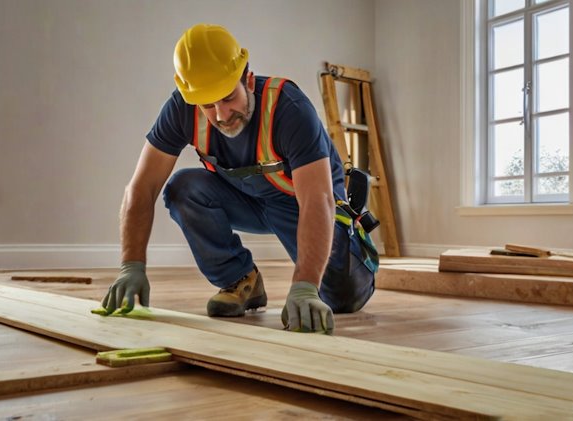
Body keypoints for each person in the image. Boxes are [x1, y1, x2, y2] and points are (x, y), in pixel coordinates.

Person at [100, 23, 378, 334]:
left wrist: (304, 286)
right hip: (247, 200)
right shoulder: (182, 109)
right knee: (183, 189)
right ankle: (240, 280)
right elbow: (142, 186)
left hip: (302, 206)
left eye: (228, 98)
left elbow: (319, 199)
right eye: (208, 104)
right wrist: (131, 265)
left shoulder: (289, 109)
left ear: (247, 79)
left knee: (340, 299)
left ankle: (349, 264)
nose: (220, 114)